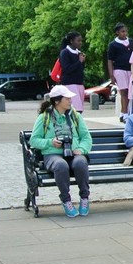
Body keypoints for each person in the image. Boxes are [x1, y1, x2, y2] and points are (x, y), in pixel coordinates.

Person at [29, 85, 93, 218]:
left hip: (74, 153)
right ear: (57, 101)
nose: (70, 100)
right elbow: (34, 140)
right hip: (53, 155)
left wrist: (81, 149)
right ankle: (66, 200)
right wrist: (50, 142)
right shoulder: (44, 117)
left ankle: (84, 198)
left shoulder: (75, 116)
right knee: (60, 165)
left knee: (80, 163)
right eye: (67, 98)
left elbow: (86, 137)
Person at [107, 22, 133, 123]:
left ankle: (123, 113)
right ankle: (126, 114)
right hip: (119, 70)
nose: (125, 33)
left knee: (130, 92)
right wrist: (111, 75)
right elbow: (110, 60)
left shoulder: (131, 42)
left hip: (130, 70)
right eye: (122, 31)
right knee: (124, 92)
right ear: (117, 32)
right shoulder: (113, 45)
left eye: (126, 31)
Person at [58, 31, 87, 113]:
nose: (80, 43)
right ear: (71, 41)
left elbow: (80, 69)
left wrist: (82, 61)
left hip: (79, 84)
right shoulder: (65, 52)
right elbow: (67, 69)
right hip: (70, 84)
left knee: (79, 110)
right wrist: (79, 61)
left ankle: (75, 121)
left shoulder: (79, 53)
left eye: (81, 41)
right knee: (75, 110)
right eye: (78, 41)